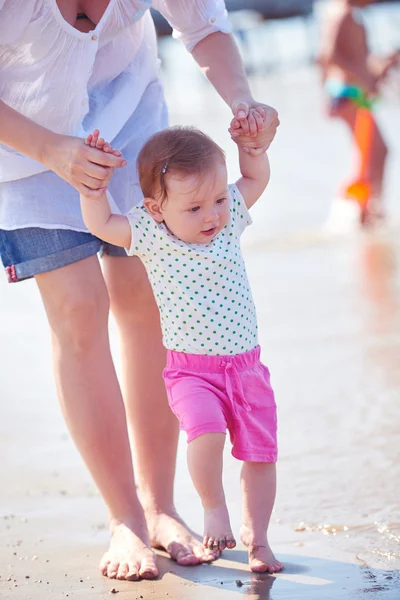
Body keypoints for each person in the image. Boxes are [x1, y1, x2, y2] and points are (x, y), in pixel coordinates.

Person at [0, 0, 279, 582]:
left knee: (147, 302)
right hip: (23, 144)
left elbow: (206, 28)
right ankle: (124, 517)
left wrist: (243, 104)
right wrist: (51, 149)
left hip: (135, 133)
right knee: (77, 310)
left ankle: (161, 507)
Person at [80, 124, 284, 575]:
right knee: (206, 433)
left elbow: (255, 181)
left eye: (216, 200)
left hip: (247, 369)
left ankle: (260, 541)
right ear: (156, 209)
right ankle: (214, 510)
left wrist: (251, 149)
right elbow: (101, 224)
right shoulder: (151, 237)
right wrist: (93, 188)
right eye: (194, 207)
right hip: (192, 372)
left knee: (260, 455)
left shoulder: (226, 220)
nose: (212, 215)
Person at [318, 0, 399, 226]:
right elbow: (329, 55)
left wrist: (384, 65)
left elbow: (356, 59)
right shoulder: (340, 13)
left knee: (373, 153)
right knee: (376, 151)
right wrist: (363, 79)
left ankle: (369, 207)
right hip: (348, 92)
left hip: (352, 91)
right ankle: (367, 209)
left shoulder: (349, 14)